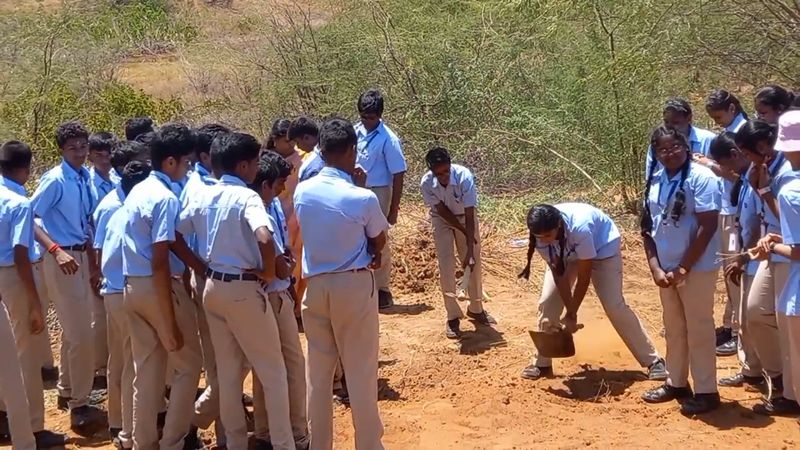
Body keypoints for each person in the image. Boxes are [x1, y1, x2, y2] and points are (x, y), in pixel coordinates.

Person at [178, 132, 294, 450]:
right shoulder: (247, 197)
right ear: (244, 166)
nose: (257, 168)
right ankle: (284, 444)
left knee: (227, 376)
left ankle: (235, 443)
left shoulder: (205, 195)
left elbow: (175, 233)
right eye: (256, 162)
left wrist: (200, 266)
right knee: (273, 373)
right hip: (244, 291)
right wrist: (268, 273)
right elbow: (265, 237)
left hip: (213, 286)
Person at [294, 117, 388, 449]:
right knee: (360, 370)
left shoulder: (302, 191)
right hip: (352, 285)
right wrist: (360, 188)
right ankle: (368, 444)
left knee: (318, 375)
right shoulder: (361, 198)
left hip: (315, 287)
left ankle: (319, 444)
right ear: (352, 150)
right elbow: (378, 239)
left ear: (320, 150)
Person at [121, 123, 206, 450]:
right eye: (184, 162)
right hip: (160, 288)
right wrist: (169, 321)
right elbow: (160, 257)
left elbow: (169, 246)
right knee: (188, 364)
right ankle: (173, 441)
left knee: (148, 370)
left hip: (133, 287)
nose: (186, 168)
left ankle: (144, 442)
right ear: (170, 162)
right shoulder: (165, 197)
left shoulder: (138, 190)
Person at [518, 202, 666, 381]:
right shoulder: (540, 237)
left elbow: (584, 276)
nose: (545, 240)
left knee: (614, 306)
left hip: (603, 251)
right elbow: (559, 276)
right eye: (540, 237)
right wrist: (568, 308)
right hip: (568, 253)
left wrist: (572, 313)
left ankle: (653, 361)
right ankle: (542, 364)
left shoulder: (580, 228)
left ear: (558, 225)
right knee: (548, 303)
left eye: (548, 235)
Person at [640, 125, 721, 415]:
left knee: (698, 328)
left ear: (686, 146)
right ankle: (676, 382)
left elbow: (708, 225)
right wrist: (656, 268)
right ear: (656, 152)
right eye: (662, 149)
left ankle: (707, 391)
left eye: (675, 147)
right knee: (673, 329)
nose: (670, 153)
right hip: (666, 269)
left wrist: (684, 268)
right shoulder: (656, 179)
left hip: (695, 267)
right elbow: (647, 228)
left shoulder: (702, 177)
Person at [30, 121, 104, 430]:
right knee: (81, 334)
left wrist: (93, 260)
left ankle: (67, 389)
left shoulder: (84, 177)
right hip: (62, 258)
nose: (79, 152)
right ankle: (80, 405)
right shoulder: (56, 180)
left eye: (83, 147)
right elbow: (30, 219)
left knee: (78, 329)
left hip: (82, 255)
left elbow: (85, 221)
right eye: (72, 148)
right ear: (62, 149)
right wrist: (55, 250)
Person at [0, 140, 68, 448]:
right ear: (25, 170)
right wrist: (35, 303)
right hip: (14, 278)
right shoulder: (18, 202)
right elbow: (20, 254)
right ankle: (32, 428)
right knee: (24, 355)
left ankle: (3, 416)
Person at [735, 119, 800, 416]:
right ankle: (778, 378)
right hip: (773, 249)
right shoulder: (770, 165)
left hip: (787, 252)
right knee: (756, 313)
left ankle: (790, 392)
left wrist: (763, 192)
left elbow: (787, 219)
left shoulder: (788, 174)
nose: (746, 160)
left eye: (747, 154)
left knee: (787, 324)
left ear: (762, 147)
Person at [250, 151, 309, 450]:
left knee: (267, 365)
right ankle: (297, 434)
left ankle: (264, 432)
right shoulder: (259, 208)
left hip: (272, 291)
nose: (283, 190)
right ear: (266, 184)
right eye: (280, 184)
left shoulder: (266, 204)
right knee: (292, 366)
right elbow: (272, 255)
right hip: (272, 293)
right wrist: (283, 268)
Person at [94, 161, 151, 449]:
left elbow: (99, 250)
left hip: (113, 292)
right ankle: (129, 434)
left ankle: (119, 425)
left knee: (121, 362)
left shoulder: (117, 211)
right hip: (124, 292)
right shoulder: (133, 213)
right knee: (133, 367)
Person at [707, 133, 765, 391]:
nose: (726, 171)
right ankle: (751, 370)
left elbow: (755, 224)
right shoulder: (744, 179)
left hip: (756, 258)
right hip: (746, 254)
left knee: (754, 315)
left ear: (735, 154)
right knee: (744, 315)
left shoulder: (755, 178)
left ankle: (768, 373)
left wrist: (742, 256)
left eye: (726, 164)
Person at [185, 123, 230, 447]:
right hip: (208, 278)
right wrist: (198, 268)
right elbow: (176, 236)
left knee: (228, 357)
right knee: (219, 359)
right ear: (205, 155)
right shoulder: (197, 186)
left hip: (219, 277)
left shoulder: (213, 181)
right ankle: (199, 422)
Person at [419, 147, 495, 338]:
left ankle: (476, 308)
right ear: (432, 171)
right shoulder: (426, 183)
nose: (443, 176)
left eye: (446, 171)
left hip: (465, 217)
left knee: (473, 261)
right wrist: (461, 232)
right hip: (441, 218)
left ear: (450, 165)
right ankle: (452, 315)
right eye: (438, 173)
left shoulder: (464, 176)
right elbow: (442, 211)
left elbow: (469, 213)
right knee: (446, 264)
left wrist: (470, 247)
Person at [703, 91, 750, 356]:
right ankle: (730, 325)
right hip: (727, 207)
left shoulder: (743, 133)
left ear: (732, 108)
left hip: (735, 210)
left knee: (734, 270)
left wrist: (713, 167)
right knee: (728, 268)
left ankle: (737, 332)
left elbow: (737, 175)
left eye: (719, 116)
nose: (718, 122)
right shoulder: (734, 130)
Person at [355, 89, 407, 309]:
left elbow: (398, 173)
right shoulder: (354, 132)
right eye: (363, 116)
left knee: (379, 238)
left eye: (371, 117)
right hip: (355, 189)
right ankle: (362, 285)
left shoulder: (388, 138)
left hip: (378, 192)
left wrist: (394, 208)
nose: (367, 121)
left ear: (379, 115)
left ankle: (382, 288)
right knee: (357, 236)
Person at [88, 130, 119, 387]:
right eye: (99, 154)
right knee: (98, 317)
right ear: (91, 156)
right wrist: (94, 267)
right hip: (94, 254)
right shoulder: (86, 183)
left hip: (116, 256)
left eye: (108, 153)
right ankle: (99, 371)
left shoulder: (119, 179)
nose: (105, 159)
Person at [286, 116, 320, 304]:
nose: (299, 147)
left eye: (299, 142)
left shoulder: (314, 163)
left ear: (307, 138)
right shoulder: (314, 159)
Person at [644, 98, 717, 175]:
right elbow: (651, 178)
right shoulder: (657, 145)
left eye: (675, 123)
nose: (670, 127)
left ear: (689, 118)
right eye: (666, 122)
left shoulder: (709, 140)